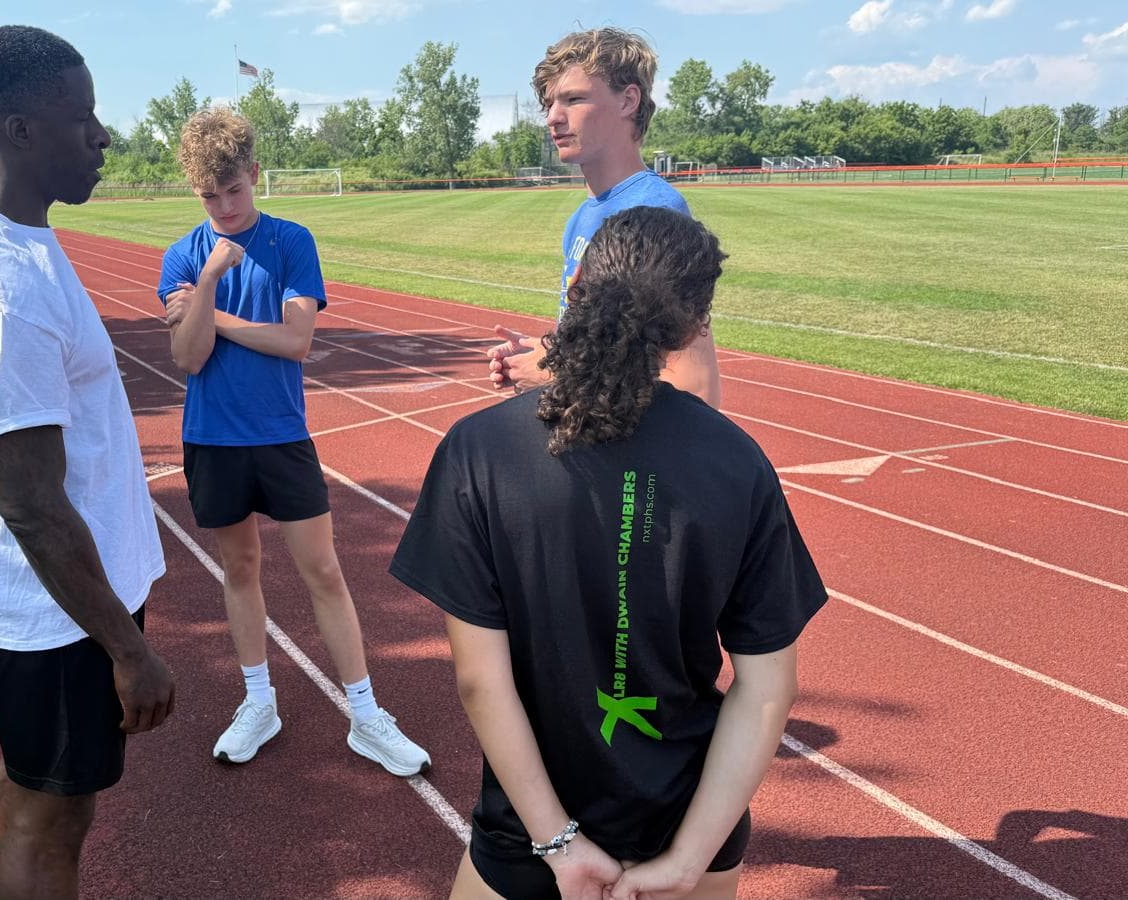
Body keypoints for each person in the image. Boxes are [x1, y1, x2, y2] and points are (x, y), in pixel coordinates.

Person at [393, 207, 827, 899]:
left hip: (530, 834)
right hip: (689, 824)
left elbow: (482, 681)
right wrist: (687, 861)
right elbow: (766, 687)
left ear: (575, 289)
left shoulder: (480, 450)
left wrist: (560, 846)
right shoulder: (738, 463)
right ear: (693, 327)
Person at [0, 26, 174, 898]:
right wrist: (128, 648)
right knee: (50, 821)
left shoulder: (9, 237)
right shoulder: (0, 295)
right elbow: (30, 503)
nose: (104, 135)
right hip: (55, 618)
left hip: (41, 602)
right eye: (84, 116)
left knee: (29, 798)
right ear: (22, 131)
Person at [157, 107, 429, 776]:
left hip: (281, 434)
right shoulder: (184, 255)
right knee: (241, 569)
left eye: (233, 190)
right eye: (209, 195)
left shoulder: (291, 242)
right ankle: (259, 702)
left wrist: (207, 311)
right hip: (213, 438)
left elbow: (296, 342)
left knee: (325, 570)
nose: (223, 206)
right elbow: (189, 359)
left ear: (254, 175)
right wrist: (213, 277)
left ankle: (365, 714)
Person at [488, 28, 722, 408]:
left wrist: (551, 372)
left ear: (629, 100)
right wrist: (547, 351)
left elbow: (689, 380)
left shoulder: (656, 214)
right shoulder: (583, 215)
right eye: (548, 104)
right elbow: (610, 340)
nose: (553, 118)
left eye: (573, 99)